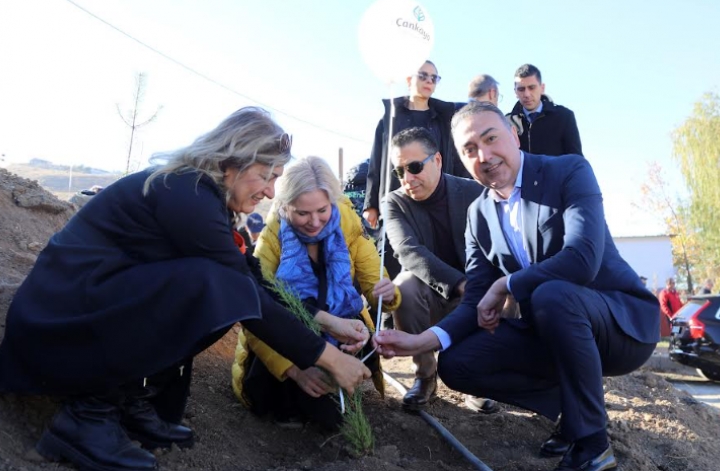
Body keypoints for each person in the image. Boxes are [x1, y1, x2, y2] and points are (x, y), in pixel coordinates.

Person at [0, 107, 370, 471]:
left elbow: (254, 282)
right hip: (55, 322)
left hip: (80, 312)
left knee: (228, 287)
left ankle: (129, 399)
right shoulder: (185, 194)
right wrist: (331, 359)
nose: (271, 191)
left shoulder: (202, 198)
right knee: (215, 286)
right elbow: (245, 293)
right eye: (265, 175)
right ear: (231, 163)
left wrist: (326, 323)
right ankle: (87, 415)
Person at [375, 102, 660, 471]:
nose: (484, 155)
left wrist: (506, 284)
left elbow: (582, 259)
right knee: (459, 364)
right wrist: (419, 341)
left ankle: (592, 444)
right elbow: (474, 298)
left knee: (550, 293)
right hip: (551, 332)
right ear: (460, 159)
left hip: (619, 325)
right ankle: (572, 409)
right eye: (470, 150)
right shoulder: (479, 213)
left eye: (490, 138)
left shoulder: (569, 170)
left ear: (513, 133)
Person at [231, 156, 401, 430]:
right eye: (302, 213)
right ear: (285, 206)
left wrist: (388, 294)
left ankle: (337, 389)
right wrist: (295, 371)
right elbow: (257, 311)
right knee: (284, 400)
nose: (314, 222)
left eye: (322, 210)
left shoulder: (350, 228)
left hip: (342, 334)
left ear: (333, 201)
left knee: (332, 419)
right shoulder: (272, 236)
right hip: (288, 345)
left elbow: (376, 288)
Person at [384, 127, 497, 414]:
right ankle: (424, 376)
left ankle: (476, 381)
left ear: (437, 161)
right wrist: (460, 284)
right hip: (433, 292)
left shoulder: (475, 193)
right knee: (403, 287)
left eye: (414, 167)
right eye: (400, 171)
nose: (408, 178)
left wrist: (478, 288)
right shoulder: (394, 202)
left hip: (475, 293)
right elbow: (408, 252)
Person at [363, 60, 469, 280]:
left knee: (433, 256)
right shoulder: (390, 118)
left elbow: (453, 160)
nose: (429, 81)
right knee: (393, 257)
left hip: (436, 199)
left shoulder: (443, 119)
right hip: (397, 196)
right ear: (409, 79)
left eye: (434, 77)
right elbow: (377, 161)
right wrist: (371, 204)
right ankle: (390, 313)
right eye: (423, 76)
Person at [507, 64, 583, 156]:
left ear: (542, 88)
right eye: (521, 89)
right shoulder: (506, 123)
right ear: (515, 92)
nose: (527, 94)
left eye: (532, 88)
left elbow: (576, 160)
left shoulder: (564, 116)